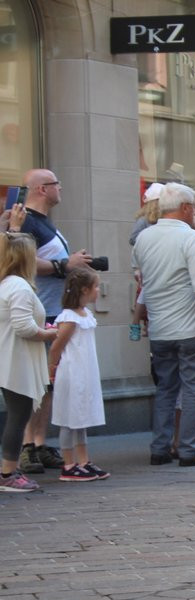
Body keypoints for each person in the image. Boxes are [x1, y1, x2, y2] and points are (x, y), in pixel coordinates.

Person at [133, 183, 195, 466]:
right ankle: (188, 449)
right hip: (190, 328)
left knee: (165, 388)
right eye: (194, 207)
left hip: (161, 328)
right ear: (186, 208)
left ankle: (159, 448)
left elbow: (142, 282)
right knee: (192, 389)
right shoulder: (191, 238)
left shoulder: (144, 238)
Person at [18, 169, 91, 475]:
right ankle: (26, 447)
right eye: (56, 184)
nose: (61, 188)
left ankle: (38, 442)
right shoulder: (27, 222)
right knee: (36, 382)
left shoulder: (44, 222)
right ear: (42, 189)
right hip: (40, 311)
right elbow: (23, 259)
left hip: (52, 309)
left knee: (48, 384)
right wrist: (66, 264)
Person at [0, 232, 56, 491]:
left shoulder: (8, 284)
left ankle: (9, 470)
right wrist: (50, 333)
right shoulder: (19, 286)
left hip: (12, 358)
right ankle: (8, 473)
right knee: (18, 416)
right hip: (16, 361)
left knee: (18, 415)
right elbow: (23, 327)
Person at [46, 267, 109, 481]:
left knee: (80, 418)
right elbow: (57, 346)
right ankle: (69, 463)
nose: (99, 290)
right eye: (96, 287)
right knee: (68, 418)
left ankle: (83, 460)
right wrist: (51, 370)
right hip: (72, 373)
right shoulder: (70, 318)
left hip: (84, 371)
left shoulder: (85, 314)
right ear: (84, 290)